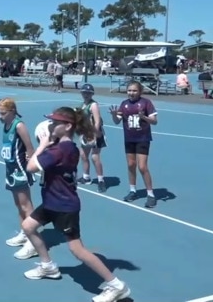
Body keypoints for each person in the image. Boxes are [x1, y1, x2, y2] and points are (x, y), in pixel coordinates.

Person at [22, 107, 131, 302]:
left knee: (77, 249)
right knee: (28, 226)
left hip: (64, 205)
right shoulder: (66, 147)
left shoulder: (59, 149)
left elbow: (30, 167)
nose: (51, 125)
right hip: (51, 201)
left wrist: (42, 145)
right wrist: (47, 146)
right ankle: (47, 266)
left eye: (56, 123)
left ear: (68, 126)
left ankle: (117, 285)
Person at [0, 98, 37, 260]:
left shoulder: (19, 126)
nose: (0, 116)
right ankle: (24, 232)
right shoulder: (6, 126)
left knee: (26, 205)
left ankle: (33, 241)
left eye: (3, 113)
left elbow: (30, 148)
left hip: (20, 170)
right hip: (10, 170)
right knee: (18, 204)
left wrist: (31, 167)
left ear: (12, 111)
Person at [108, 81, 158, 208]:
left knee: (142, 167)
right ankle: (132, 190)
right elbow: (116, 122)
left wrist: (144, 117)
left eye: (134, 90)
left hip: (142, 138)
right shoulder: (124, 104)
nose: (131, 93)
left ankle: (150, 194)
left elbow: (154, 121)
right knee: (131, 164)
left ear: (140, 91)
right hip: (129, 139)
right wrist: (114, 115)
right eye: (129, 90)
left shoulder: (146, 103)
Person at [77, 84, 107, 192]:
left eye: (89, 93)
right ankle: (86, 177)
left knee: (95, 157)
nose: (86, 95)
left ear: (92, 94)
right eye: (84, 92)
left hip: (95, 133)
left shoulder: (93, 105)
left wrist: (94, 135)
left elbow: (97, 121)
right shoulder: (82, 105)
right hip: (85, 134)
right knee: (83, 155)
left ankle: (101, 180)